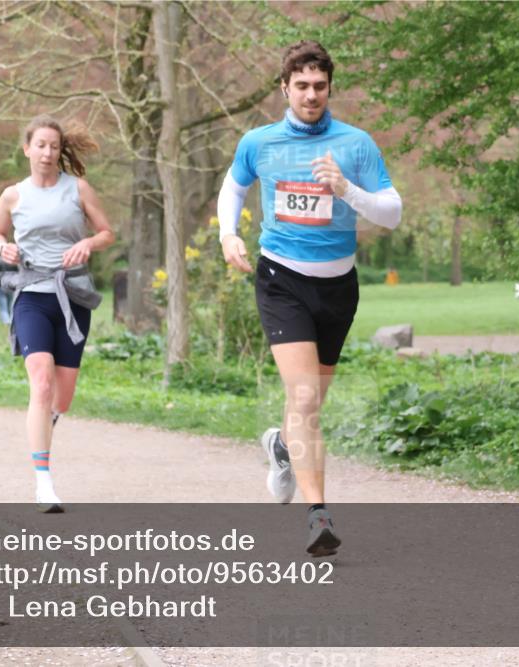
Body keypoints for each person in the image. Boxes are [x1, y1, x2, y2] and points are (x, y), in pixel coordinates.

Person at [218, 41, 403, 555]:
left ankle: (281, 444)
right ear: (285, 88)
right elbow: (233, 187)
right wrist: (228, 234)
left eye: (320, 86)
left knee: (309, 404)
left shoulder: (356, 144)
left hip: (338, 287)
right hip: (282, 279)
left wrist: (347, 189)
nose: (311, 94)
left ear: (330, 88)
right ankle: (318, 516)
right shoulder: (260, 142)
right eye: (301, 85)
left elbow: (391, 212)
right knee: (303, 399)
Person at [0, 115, 115, 513]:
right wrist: (1, 248)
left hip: (73, 297)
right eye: (40, 145)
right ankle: (44, 483)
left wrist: (89, 245)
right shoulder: (13, 195)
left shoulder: (77, 189)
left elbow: (107, 232)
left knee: (63, 397)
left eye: (54, 146)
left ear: (60, 151)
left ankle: (47, 421)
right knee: (40, 384)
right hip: (31, 295)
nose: (47, 152)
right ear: (27, 149)